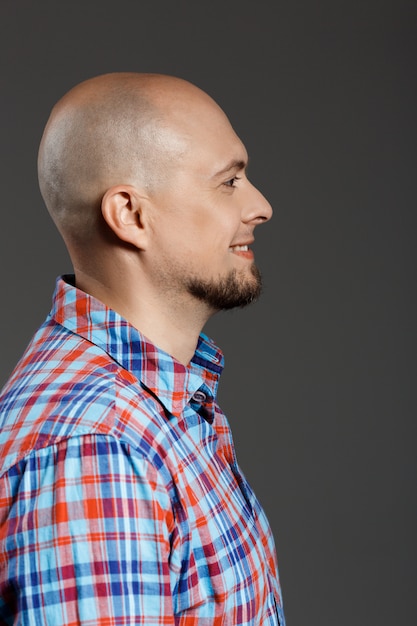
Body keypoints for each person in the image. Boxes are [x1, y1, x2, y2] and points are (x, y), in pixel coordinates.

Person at [0, 72, 285, 625]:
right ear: (130, 215)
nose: (261, 206)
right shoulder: (96, 446)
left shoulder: (158, 404)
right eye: (229, 182)